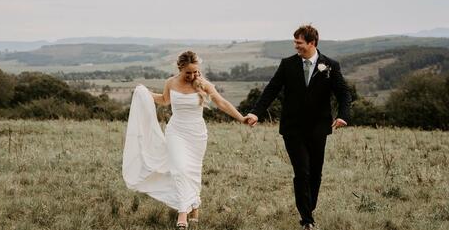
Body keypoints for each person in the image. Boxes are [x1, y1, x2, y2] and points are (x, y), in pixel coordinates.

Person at [122, 51, 248, 230]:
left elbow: (222, 103)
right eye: (188, 72)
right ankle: (183, 212)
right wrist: (144, 93)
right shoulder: (171, 83)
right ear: (180, 68)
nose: (192, 76)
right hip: (176, 132)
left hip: (197, 134)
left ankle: (194, 206)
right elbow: (165, 101)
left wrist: (241, 118)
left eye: (195, 72)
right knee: (180, 169)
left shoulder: (204, 85)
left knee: (193, 171)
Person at [246, 25, 351, 230]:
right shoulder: (288, 65)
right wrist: (256, 112)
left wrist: (343, 116)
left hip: (319, 128)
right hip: (293, 128)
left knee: (315, 173)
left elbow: (344, 94)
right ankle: (307, 220)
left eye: (299, 43)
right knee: (302, 172)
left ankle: (309, 208)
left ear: (312, 43)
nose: (296, 47)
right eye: (295, 43)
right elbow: (272, 89)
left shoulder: (330, 65)